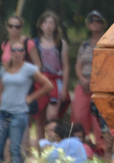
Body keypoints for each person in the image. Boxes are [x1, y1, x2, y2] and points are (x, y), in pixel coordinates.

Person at [0, 40, 53, 163]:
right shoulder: (5, 68)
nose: (17, 53)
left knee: (15, 149)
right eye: (14, 50)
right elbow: (0, 92)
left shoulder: (29, 69)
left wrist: (32, 97)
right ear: (10, 52)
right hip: (3, 113)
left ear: (24, 53)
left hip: (19, 113)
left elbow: (48, 85)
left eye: (20, 50)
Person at [31, 11, 71, 149]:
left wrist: (65, 87)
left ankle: (55, 147)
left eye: (51, 22)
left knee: (52, 117)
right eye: (46, 22)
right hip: (41, 81)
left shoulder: (61, 44)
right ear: (40, 25)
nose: (48, 25)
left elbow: (65, 66)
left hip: (56, 81)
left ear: (55, 26)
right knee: (40, 118)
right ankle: (41, 149)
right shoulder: (34, 43)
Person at [72, 10, 108, 152]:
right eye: (91, 21)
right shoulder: (85, 44)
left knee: (98, 120)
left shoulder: (107, 41)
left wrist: (96, 82)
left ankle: (102, 149)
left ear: (103, 24)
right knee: (79, 116)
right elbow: (78, 64)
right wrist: (81, 79)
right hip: (83, 85)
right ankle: (81, 147)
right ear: (88, 24)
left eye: (98, 20)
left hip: (100, 87)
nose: (94, 23)